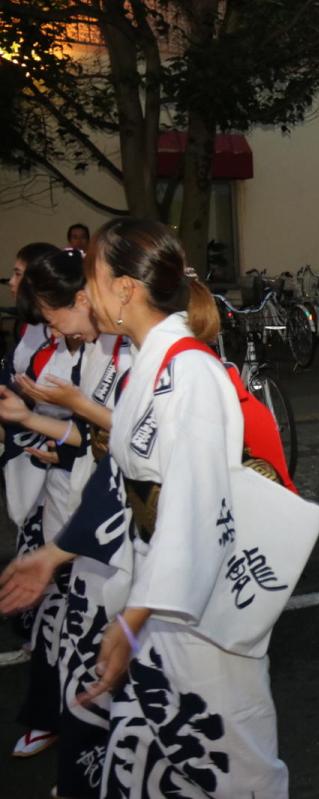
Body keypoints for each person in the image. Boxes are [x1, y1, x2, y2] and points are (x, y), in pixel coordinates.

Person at [75, 218, 295, 795]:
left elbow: (194, 508)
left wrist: (134, 617)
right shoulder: (148, 365)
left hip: (199, 608)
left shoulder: (189, 371)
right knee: (148, 761)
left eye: (91, 274)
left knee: (231, 762)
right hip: (156, 596)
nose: (85, 291)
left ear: (126, 287)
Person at [0, 247, 134, 798]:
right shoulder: (89, 350)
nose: (51, 323)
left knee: (104, 670)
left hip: (113, 540)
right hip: (87, 533)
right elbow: (100, 441)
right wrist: (31, 417)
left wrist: (70, 409)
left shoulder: (155, 361)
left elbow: (131, 446)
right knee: (84, 664)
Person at [2, 243, 69, 759]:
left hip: (81, 503)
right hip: (45, 484)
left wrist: (48, 420)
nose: (13, 283)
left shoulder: (116, 347)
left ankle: (57, 715)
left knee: (59, 612)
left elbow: (112, 434)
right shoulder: (31, 332)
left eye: (22, 275)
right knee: (43, 610)